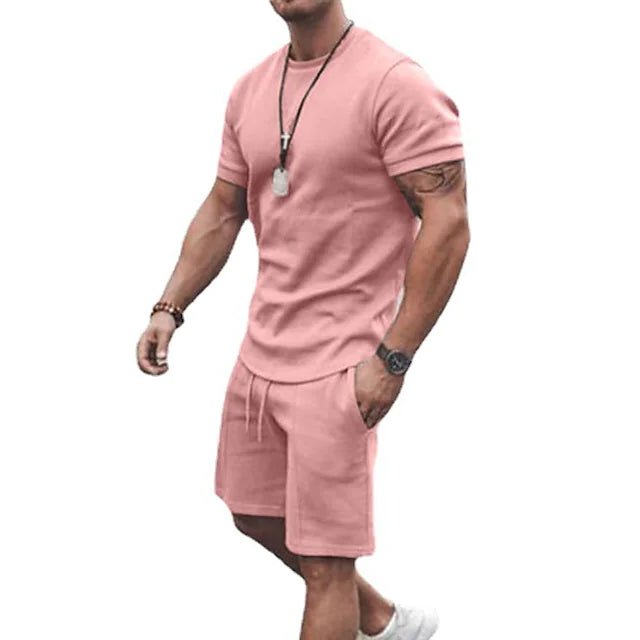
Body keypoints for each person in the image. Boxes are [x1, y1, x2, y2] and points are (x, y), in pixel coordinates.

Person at [136, 1, 469, 638]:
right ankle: (385, 623)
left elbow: (449, 223)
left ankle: (362, 614)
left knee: (326, 565)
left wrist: (393, 358)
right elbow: (224, 206)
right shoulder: (251, 89)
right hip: (261, 352)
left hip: (343, 364)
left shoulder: (395, 84)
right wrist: (169, 306)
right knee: (253, 512)